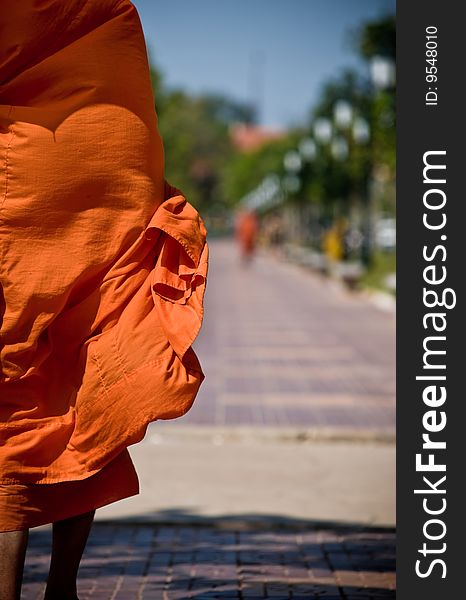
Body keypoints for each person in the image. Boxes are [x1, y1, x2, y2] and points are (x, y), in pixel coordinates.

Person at [0, 1, 209, 598]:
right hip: (120, 162)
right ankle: (61, 586)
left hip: (29, 164)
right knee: (92, 358)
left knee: (13, 382)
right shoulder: (113, 9)